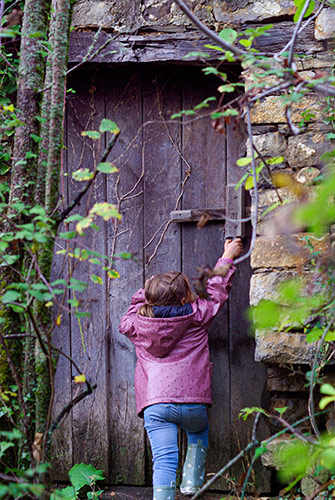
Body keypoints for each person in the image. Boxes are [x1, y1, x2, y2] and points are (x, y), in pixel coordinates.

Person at [119, 238, 243, 500]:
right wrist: (227, 256)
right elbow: (216, 290)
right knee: (198, 432)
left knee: (164, 460)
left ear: (149, 298)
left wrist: (148, 290)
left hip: (155, 403)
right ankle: (190, 485)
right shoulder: (198, 314)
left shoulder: (136, 324)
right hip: (193, 402)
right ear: (187, 296)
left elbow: (128, 314)